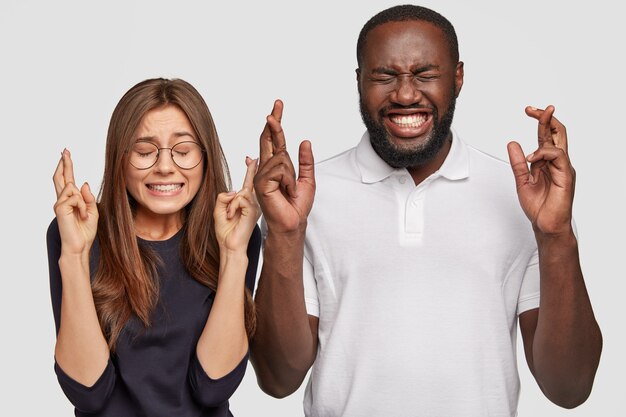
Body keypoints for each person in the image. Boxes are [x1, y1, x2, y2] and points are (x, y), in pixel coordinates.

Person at [250, 5, 602, 416]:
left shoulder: (523, 196)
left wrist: (556, 235)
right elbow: (278, 380)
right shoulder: (305, 199)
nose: (404, 94)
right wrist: (286, 235)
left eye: (425, 74)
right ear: (359, 81)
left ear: (458, 78)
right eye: (384, 76)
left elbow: (570, 387)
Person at [47, 78, 261, 416]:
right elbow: (88, 392)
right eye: (145, 152)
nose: (164, 166)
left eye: (183, 150)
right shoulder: (79, 232)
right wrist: (74, 254)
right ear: (120, 158)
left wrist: (234, 253)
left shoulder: (233, 234)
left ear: (204, 157)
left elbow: (212, 388)